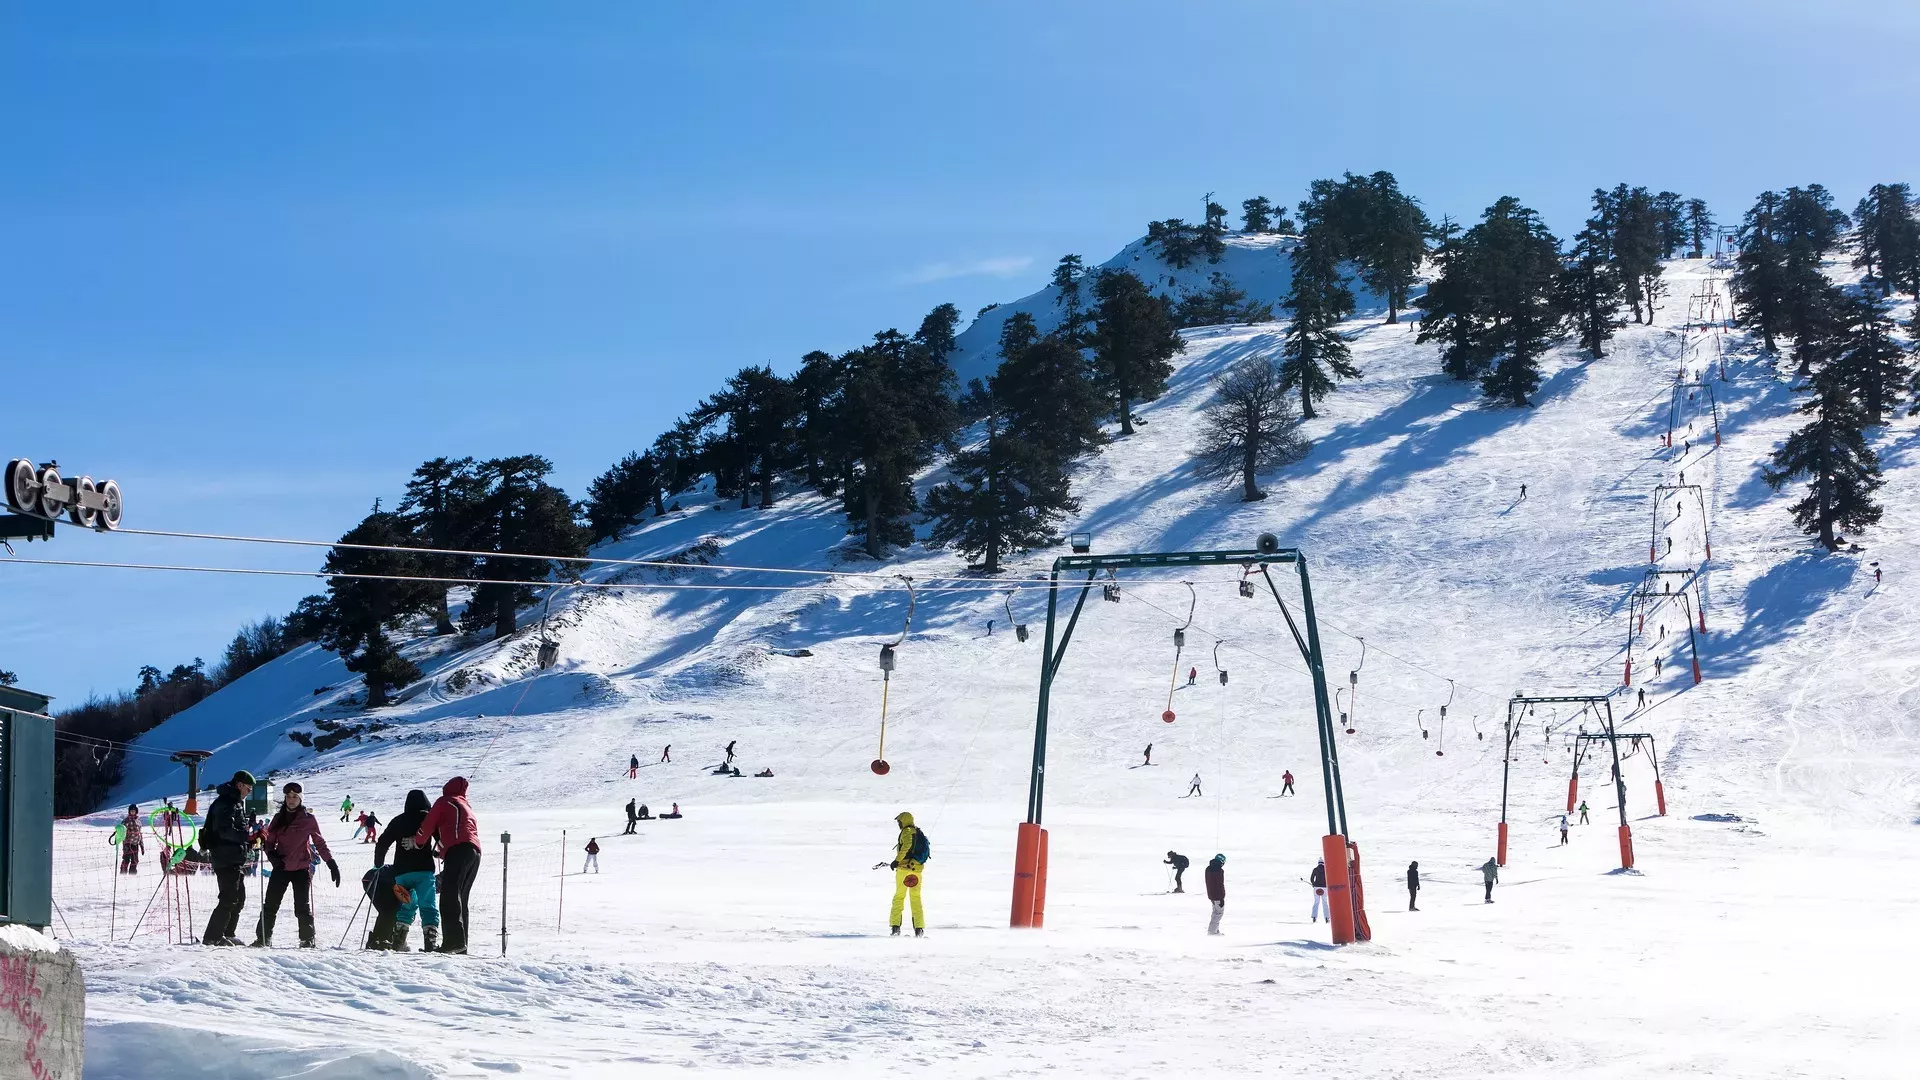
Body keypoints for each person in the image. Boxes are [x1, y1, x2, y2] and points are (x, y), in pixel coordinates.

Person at [252, 781, 340, 948]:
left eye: (295, 797)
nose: (291, 800)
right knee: (270, 905)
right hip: (281, 868)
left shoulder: (309, 820)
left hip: (301, 869)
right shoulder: (278, 819)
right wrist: (272, 857)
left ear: (300, 799)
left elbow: (319, 843)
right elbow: (269, 843)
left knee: (302, 907)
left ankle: (307, 940)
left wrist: (331, 863)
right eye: (288, 797)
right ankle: (263, 938)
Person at [411, 776, 481, 955]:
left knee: (449, 895)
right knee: (460, 897)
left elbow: (428, 825)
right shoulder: (466, 805)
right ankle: (461, 944)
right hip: (474, 852)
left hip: (458, 850)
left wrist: (418, 841)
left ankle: (453, 943)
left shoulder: (444, 801)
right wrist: (441, 850)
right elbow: (458, 829)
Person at [375, 788, 439, 952]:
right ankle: (430, 942)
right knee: (428, 905)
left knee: (406, 905)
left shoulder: (398, 820)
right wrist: (440, 853)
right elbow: (440, 839)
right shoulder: (428, 818)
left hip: (402, 873)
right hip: (424, 871)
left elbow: (382, 842)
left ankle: (399, 940)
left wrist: (378, 864)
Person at [201, 770, 258, 946]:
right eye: (248, 788)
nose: (249, 792)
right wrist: (245, 836)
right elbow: (224, 830)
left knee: (239, 898)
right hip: (225, 857)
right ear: (239, 785)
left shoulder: (234, 802)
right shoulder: (226, 803)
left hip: (233, 858)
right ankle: (213, 937)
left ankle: (228, 933)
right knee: (229, 898)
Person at [887, 811, 928, 937]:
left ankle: (895, 928)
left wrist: (897, 861)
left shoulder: (907, 831)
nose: (899, 824)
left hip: (904, 870)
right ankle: (919, 929)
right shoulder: (917, 831)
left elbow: (906, 846)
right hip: (916, 870)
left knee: (899, 897)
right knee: (916, 899)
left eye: (899, 822)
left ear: (904, 821)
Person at [1204, 854, 1226, 935]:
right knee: (1218, 913)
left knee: (1215, 912)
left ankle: (1215, 930)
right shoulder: (1219, 870)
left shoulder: (1208, 868)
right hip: (1217, 896)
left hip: (1211, 894)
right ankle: (1212, 932)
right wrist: (1221, 897)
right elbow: (1220, 884)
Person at [119, 805, 143, 874]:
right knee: (126, 859)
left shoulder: (138, 822)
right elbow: (122, 829)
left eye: (134, 811)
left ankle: (132, 874)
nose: (132, 812)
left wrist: (141, 845)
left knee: (135, 860)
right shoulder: (126, 820)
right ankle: (123, 873)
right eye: (131, 811)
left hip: (135, 844)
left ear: (136, 812)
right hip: (128, 843)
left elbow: (140, 834)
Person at [1309, 858, 1329, 922]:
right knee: (1325, 903)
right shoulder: (1326, 870)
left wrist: (1313, 884)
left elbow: (1312, 878)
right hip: (1324, 888)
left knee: (1316, 902)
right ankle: (1327, 917)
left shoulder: (1315, 869)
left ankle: (1314, 917)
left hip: (1316, 888)